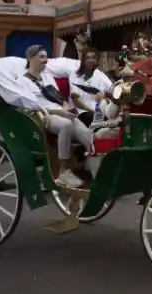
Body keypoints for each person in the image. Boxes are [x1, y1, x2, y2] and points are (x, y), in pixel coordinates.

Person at [16, 45, 93, 188]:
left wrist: (65, 106)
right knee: (66, 125)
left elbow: (58, 97)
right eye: (41, 57)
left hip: (61, 112)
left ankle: (96, 162)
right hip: (43, 115)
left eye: (46, 57)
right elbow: (33, 104)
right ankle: (64, 171)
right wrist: (59, 112)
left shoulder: (47, 76)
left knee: (83, 130)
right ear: (30, 59)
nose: (45, 60)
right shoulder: (22, 81)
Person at [69, 48, 114, 126]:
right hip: (82, 114)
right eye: (88, 57)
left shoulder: (101, 76)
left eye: (93, 58)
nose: (91, 60)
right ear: (82, 61)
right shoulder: (75, 76)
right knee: (100, 120)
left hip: (100, 113)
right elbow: (76, 102)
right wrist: (93, 112)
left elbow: (114, 90)